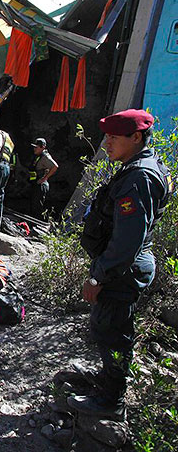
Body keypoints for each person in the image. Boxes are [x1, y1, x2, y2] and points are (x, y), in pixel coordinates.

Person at [69, 109, 172, 420]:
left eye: (114, 137)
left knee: (112, 331)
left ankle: (110, 402)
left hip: (121, 270)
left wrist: (98, 277)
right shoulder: (141, 167)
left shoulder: (138, 177)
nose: (107, 142)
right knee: (109, 326)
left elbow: (128, 240)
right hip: (123, 265)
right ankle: (106, 383)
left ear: (136, 137)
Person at [28, 138, 58, 219]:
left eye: (36, 147)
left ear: (42, 147)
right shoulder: (37, 156)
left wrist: (44, 178)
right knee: (33, 206)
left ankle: (39, 224)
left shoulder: (45, 157)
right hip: (35, 184)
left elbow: (55, 167)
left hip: (41, 185)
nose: (34, 149)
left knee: (38, 207)